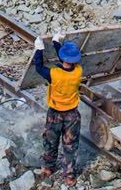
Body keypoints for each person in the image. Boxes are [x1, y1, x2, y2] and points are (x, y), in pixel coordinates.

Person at [31, 36, 82, 182]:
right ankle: (69, 176)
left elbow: (39, 67)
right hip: (73, 114)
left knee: (50, 142)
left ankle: (48, 168)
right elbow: (65, 57)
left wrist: (39, 50)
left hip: (55, 114)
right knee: (71, 145)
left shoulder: (54, 74)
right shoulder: (78, 71)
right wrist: (56, 42)